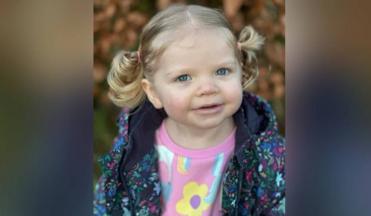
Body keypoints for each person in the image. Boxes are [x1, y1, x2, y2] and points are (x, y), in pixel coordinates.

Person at [94, 4, 285, 216]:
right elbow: (110, 202)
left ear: (240, 71)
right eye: (183, 77)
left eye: (222, 71)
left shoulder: (265, 154)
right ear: (154, 93)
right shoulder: (134, 148)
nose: (207, 88)